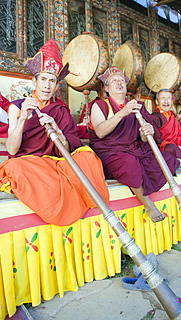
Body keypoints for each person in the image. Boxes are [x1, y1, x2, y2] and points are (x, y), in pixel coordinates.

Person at [0, 39, 109, 226]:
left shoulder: (60, 110)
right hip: (31, 163)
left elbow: (68, 148)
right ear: (34, 81)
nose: (47, 86)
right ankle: (61, 211)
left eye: (52, 81)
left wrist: (58, 131)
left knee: (88, 157)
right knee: (14, 167)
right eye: (43, 79)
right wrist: (22, 119)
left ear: (57, 86)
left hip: (55, 162)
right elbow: (11, 149)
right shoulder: (17, 107)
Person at [89, 66, 179, 223]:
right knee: (129, 163)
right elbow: (100, 132)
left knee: (167, 159)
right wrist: (122, 113)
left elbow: (143, 139)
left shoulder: (137, 106)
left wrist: (146, 132)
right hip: (111, 152)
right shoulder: (100, 105)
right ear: (107, 88)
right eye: (114, 81)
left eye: (122, 80)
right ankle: (148, 204)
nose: (119, 83)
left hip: (135, 148)